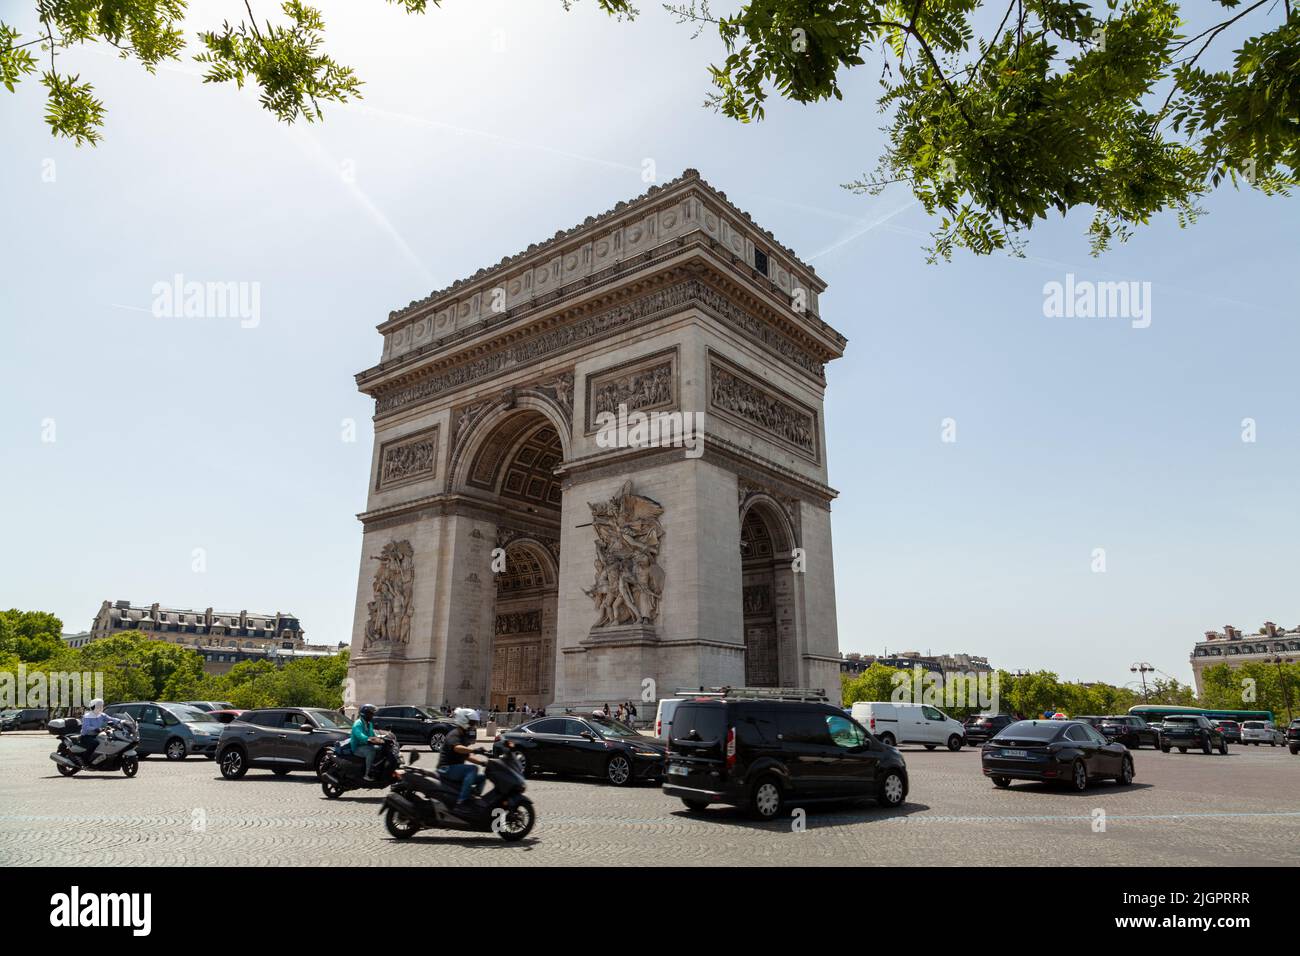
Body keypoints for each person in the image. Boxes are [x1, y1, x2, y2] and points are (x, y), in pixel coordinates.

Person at [439, 711, 487, 808]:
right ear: (464, 720)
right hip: (446, 768)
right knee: (473, 769)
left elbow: (466, 756)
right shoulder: (454, 734)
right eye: (472, 723)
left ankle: (473, 798)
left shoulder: (462, 736)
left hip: (454, 769)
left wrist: (483, 762)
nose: (473, 726)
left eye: (474, 723)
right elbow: (457, 748)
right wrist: (475, 750)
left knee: (483, 777)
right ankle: (462, 801)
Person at [78, 699, 124, 765]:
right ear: (93, 707)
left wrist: (121, 721)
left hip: (97, 735)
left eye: (101, 706)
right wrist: (96, 729)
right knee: (95, 743)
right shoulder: (87, 716)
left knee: (108, 741)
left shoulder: (101, 715)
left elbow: (110, 719)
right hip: (86, 736)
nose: (100, 708)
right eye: (98, 706)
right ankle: (84, 760)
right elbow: (86, 727)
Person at [351, 704, 382, 781]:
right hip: (357, 747)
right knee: (371, 752)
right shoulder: (358, 724)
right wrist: (369, 739)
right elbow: (360, 735)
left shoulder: (369, 724)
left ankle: (377, 768)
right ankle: (367, 774)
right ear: (364, 714)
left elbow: (372, 734)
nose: (372, 715)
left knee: (381, 748)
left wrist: (379, 738)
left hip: (366, 745)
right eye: (370, 713)